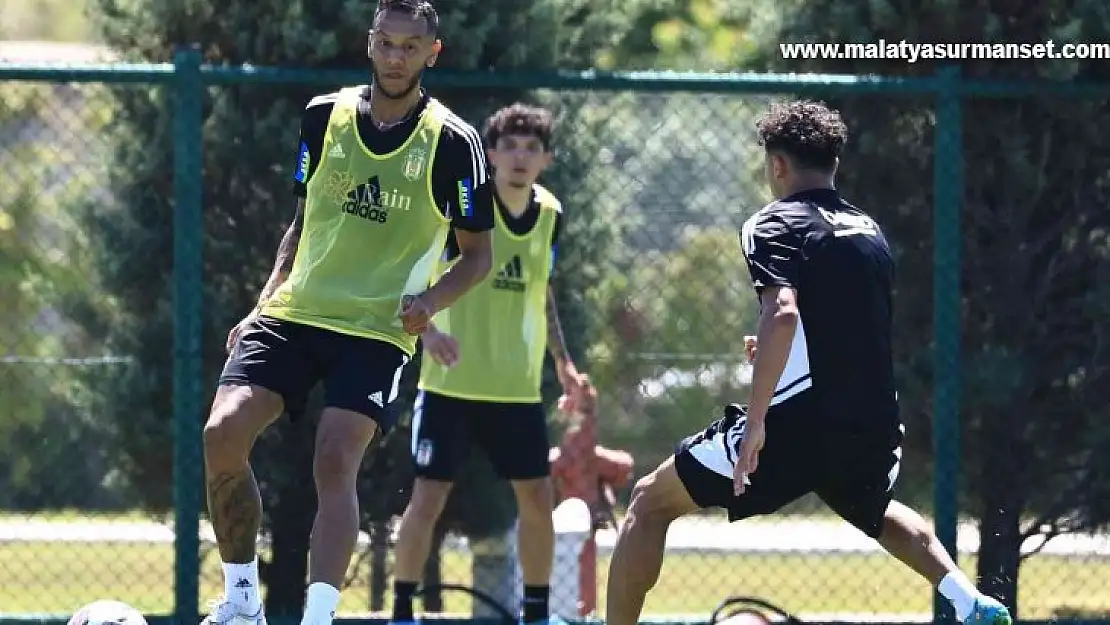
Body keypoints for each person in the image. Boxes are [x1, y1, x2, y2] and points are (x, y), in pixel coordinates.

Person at [604, 100, 1013, 625]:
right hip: (870, 422)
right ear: (834, 163)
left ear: (777, 165)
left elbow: (783, 311)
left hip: (796, 424)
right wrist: (782, 352)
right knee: (876, 511)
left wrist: (754, 423)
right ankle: (966, 598)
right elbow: (843, 331)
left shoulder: (773, 222)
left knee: (648, 503)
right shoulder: (868, 231)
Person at [200, 2, 495, 625]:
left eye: (411, 47)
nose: (396, 57)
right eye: (386, 43)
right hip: (295, 313)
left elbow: (478, 257)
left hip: (377, 330)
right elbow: (304, 222)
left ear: (432, 53)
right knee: (222, 433)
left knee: (334, 456)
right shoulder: (321, 117)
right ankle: (242, 601)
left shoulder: (454, 142)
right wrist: (262, 302)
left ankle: (318, 617)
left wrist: (429, 303)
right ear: (370, 44)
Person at [388, 103, 585, 625]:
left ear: (546, 159)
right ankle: (402, 609)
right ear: (491, 154)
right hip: (450, 386)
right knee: (427, 499)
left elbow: (544, 293)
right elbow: (414, 275)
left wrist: (563, 364)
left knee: (537, 500)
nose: (520, 157)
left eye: (532, 148)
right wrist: (427, 331)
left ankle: (537, 613)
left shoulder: (550, 214)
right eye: (510, 146)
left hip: (516, 391)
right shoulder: (466, 210)